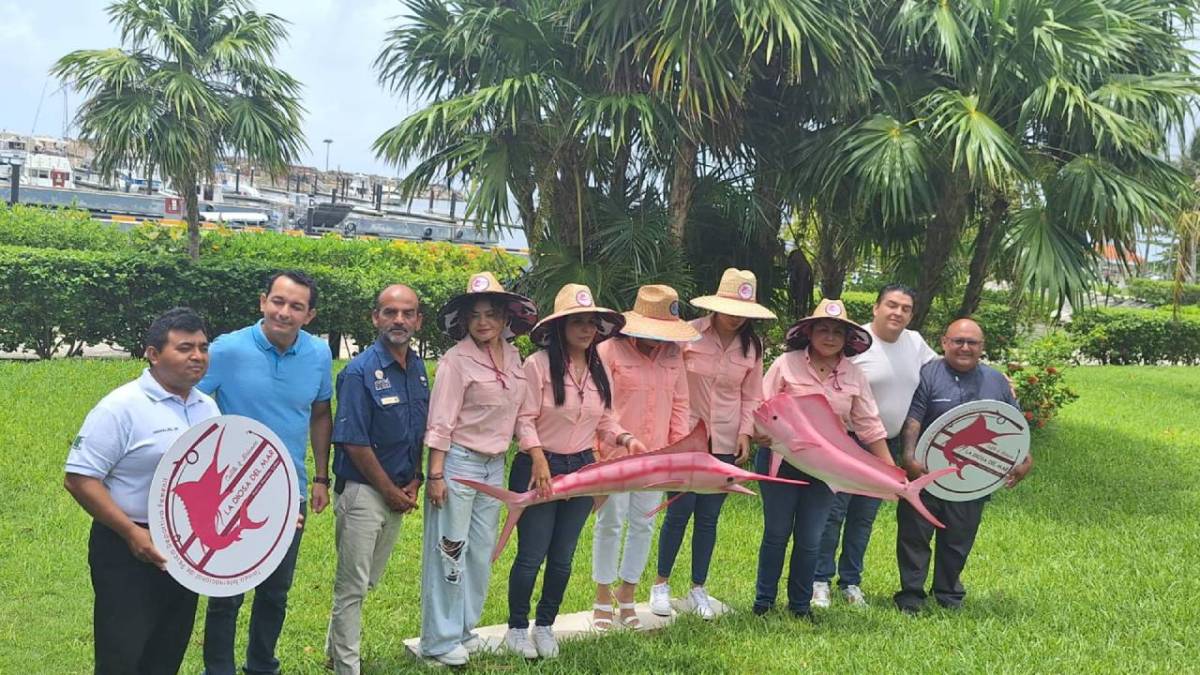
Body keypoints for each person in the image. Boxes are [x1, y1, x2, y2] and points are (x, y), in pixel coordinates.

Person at [64, 308, 220, 674]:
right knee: (122, 654)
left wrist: (272, 511)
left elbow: (215, 478)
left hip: (185, 549)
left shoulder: (207, 407)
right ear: (152, 353)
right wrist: (132, 533)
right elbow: (79, 478)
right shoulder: (121, 408)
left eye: (202, 347)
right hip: (126, 548)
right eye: (184, 348)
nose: (197, 356)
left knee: (167, 652)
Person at [198, 270, 334, 675]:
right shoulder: (227, 350)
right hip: (228, 492)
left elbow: (321, 412)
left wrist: (321, 477)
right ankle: (218, 668)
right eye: (278, 301)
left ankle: (262, 666)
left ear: (309, 315)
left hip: (288, 492)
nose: (284, 312)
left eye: (296, 306)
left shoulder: (319, 354)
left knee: (275, 591)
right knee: (227, 591)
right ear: (262, 302)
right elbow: (190, 403)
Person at [505, 284, 647, 659]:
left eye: (592, 324)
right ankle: (517, 627)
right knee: (532, 553)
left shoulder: (598, 368)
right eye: (578, 322)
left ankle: (546, 624)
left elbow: (605, 419)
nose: (587, 330)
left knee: (564, 555)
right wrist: (537, 458)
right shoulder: (537, 365)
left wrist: (626, 438)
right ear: (561, 326)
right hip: (539, 466)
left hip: (582, 466)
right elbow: (524, 418)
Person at [419, 273, 538, 666]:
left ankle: (464, 629)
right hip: (459, 464)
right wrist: (436, 475)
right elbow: (440, 422)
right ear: (465, 321)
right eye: (475, 316)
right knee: (449, 549)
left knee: (480, 552)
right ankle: (438, 640)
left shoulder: (514, 356)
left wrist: (536, 453)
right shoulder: (456, 361)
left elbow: (521, 415)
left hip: (494, 468)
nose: (483, 322)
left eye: (491, 314)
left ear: (505, 318)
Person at [753, 299, 890, 619]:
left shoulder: (854, 374)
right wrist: (757, 432)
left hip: (826, 467)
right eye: (824, 329)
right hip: (781, 460)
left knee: (811, 536)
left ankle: (800, 605)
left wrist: (889, 469)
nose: (830, 337)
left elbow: (869, 423)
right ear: (810, 332)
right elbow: (760, 405)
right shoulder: (786, 364)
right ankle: (764, 602)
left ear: (846, 339)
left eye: (837, 332)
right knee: (776, 532)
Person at [651, 269, 776, 620]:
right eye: (729, 309)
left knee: (708, 518)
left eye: (742, 312)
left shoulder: (752, 346)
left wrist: (746, 432)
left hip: (725, 440)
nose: (735, 318)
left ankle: (697, 589)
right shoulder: (688, 334)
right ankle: (660, 585)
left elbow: (752, 396)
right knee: (677, 511)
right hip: (686, 438)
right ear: (716, 306)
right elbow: (670, 381)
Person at [894, 318, 1033, 613]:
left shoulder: (996, 381)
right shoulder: (928, 375)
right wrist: (909, 457)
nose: (965, 347)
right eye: (958, 341)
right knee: (914, 535)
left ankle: (948, 593)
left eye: (972, 343)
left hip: (971, 479)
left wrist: (1025, 458)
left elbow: (1015, 423)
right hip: (927, 474)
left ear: (982, 347)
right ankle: (911, 595)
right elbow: (913, 420)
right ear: (944, 342)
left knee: (959, 536)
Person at [325, 284, 428, 674]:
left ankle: (335, 650)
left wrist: (415, 478)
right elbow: (353, 441)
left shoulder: (417, 369)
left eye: (407, 313)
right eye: (390, 312)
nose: (398, 320)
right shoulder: (358, 372)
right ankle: (346, 667)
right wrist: (390, 492)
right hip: (364, 493)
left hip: (401, 491)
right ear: (375, 318)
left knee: (367, 581)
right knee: (351, 587)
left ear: (418, 320)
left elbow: (417, 430)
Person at [813, 284, 937, 608]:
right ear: (876, 308)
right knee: (834, 513)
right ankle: (820, 580)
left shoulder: (916, 343)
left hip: (888, 445)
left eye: (905, 308)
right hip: (849, 442)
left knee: (864, 517)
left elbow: (941, 372)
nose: (897, 313)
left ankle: (850, 582)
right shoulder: (857, 343)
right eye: (891, 305)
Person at [591, 285, 696, 631]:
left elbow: (680, 404)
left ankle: (627, 594)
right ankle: (602, 596)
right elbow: (600, 406)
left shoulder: (673, 355)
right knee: (610, 522)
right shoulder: (608, 351)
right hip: (617, 454)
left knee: (644, 523)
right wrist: (604, 448)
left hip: (657, 456)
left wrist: (677, 452)